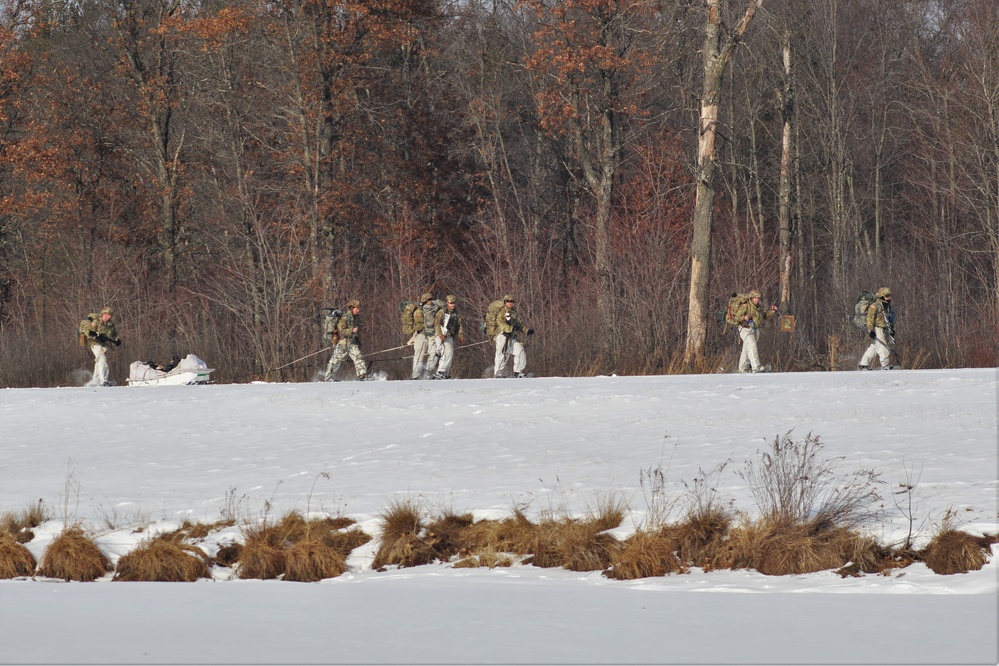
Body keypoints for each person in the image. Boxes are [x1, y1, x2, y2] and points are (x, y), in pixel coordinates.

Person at [733, 290, 778, 373]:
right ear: (752, 298)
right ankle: (756, 366)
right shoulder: (745, 306)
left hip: (755, 329)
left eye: (758, 298)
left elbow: (764, 317)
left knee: (747, 348)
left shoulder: (759, 308)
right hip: (745, 329)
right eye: (756, 298)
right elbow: (736, 317)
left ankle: (743, 367)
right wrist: (744, 318)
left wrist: (772, 312)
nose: (757, 300)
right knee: (752, 345)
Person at [324, 299, 367, 381]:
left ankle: (362, 376)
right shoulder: (345, 318)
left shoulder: (356, 318)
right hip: (343, 343)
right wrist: (351, 330)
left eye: (358, 308)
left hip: (352, 343)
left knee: (358, 357)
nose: (358, 310)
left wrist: (358, 342)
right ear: (352, 308)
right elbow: (342, 331)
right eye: (357, 308)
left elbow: (358, 332)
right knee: (335, 360)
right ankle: (328, 377)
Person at [493, 294, 532, 378]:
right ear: (505, 302)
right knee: (503, 354)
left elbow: (519, 325)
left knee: (520, 350)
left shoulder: (514, 313)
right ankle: (498, 373)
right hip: (502, 336)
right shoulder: (501, 313)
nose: (510, 303)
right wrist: (511, 328)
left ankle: (518, 372)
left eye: (511, 301)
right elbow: (501, 324)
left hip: (511, 337)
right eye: (508, 301)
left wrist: (527, 331)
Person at [80, 306, 121, 387]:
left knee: (99, 360)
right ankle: (104, 380)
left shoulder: (110, 324)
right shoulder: (96, 322)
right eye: (108, 315)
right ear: (104, 315)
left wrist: (117, 339)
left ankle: (95, 380)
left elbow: (115, 333)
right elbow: (87, 331)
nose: (110, 316)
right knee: (103, 359)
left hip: (104, 345)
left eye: (110, 315)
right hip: (94, 343)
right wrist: (96, 336)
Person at [859, 287, 895, 370]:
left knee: (874, 347)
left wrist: (891, 330)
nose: (889, 297)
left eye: (889, 296)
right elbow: (869, 319)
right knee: (883, 346)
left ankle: (863, 364)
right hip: (877, 328)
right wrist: (871, 330)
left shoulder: (887, 306)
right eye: (887, 296)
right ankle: (885, 365)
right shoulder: (874, 306)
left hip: (884, 328)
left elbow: (889, 319)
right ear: (882, 296)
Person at [432, 295, 465, 379]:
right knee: (444, 352)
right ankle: (440, 371)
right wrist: (440, 335)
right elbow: (436, 324)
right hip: (440, 334)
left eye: (454, 303)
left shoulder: (456, 313)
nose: (452, 305)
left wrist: (460, 335)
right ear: (447, 303)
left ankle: (445, 372)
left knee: (450, 353)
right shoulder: (442, 312)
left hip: (449, 335)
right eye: (451, 303)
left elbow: (459, 325)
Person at [410, 292, 433, 379]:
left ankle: (425, 373)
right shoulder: (419, 312)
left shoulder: (430, 310)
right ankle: (416, 375)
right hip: (421, 335)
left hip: (429, 335)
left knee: (433, 354)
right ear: (425, 301)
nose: (431, 301)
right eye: (429, 300)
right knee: (419, 355)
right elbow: (419, 326)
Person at [421, 294, 443, 379]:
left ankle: (436, 371)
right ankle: (427, 371)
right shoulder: (426, 309)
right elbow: (430, 322)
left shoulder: (436, 307)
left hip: (437, 333)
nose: (430, 302)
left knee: (439, 353)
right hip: (431, 335)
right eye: (428, 300)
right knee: (433, 354)